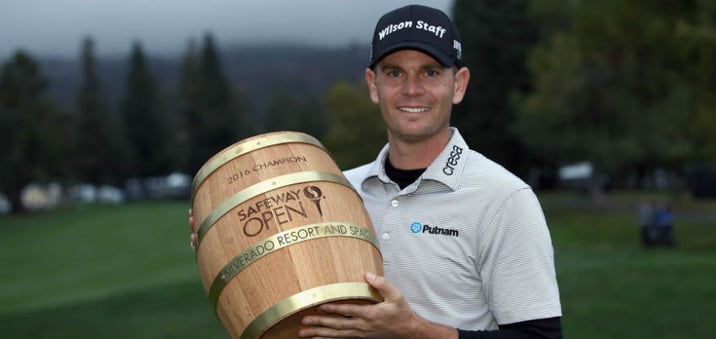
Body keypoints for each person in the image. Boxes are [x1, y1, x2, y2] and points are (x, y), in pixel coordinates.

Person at [191, 4, 562, 338]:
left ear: (459, 84)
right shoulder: (340, 192)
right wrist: (224, 246)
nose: (412, 90)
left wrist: (413, 331)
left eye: (431, 72)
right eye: (395, 73)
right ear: (374, 85)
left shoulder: (503, 199)